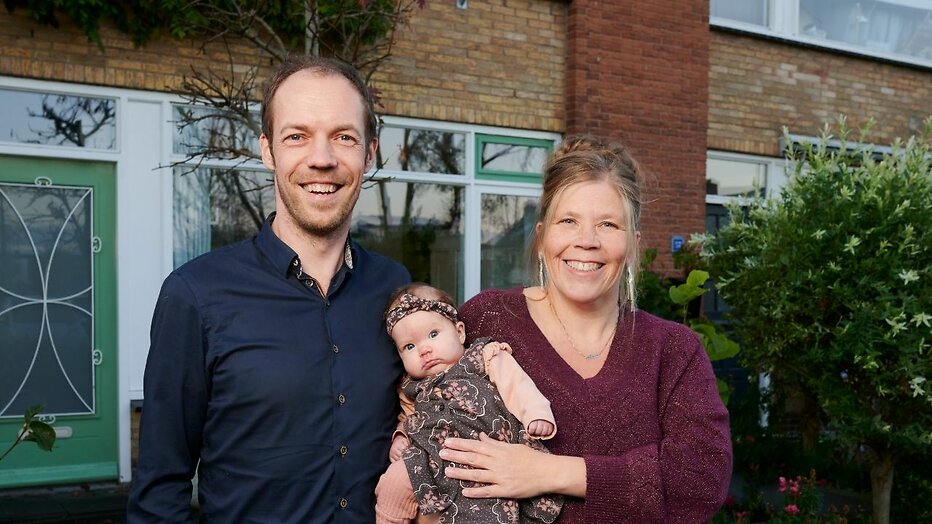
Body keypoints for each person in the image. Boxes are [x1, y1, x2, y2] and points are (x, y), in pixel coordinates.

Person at [126, 55, 410, 523]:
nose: (322, 158)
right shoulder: (195, 294)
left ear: (370, 152)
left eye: (344, 136)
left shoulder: (396, 289)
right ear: (267, 151)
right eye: (297, 136)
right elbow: (160, 491)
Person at [438, 136, 733, 522]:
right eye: (568, 221)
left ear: (633, 244)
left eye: (608, 224)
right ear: (542, 236)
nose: (587, 241)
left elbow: (701, 478)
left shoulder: (674, 350)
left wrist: (549, 472)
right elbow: (422, 413)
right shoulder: (487, 320)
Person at [374, 283, 563, 524]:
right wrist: (401, 436)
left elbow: (517, 385)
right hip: (431, 459)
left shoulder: (484, 357)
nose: (424, 350)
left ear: (460, 332)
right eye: (409, 346)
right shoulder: (412, 388)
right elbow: (409, 418)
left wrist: (536, 414)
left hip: (488, 455)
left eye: (433, 334)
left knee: (488, 507)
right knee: (392, 482)